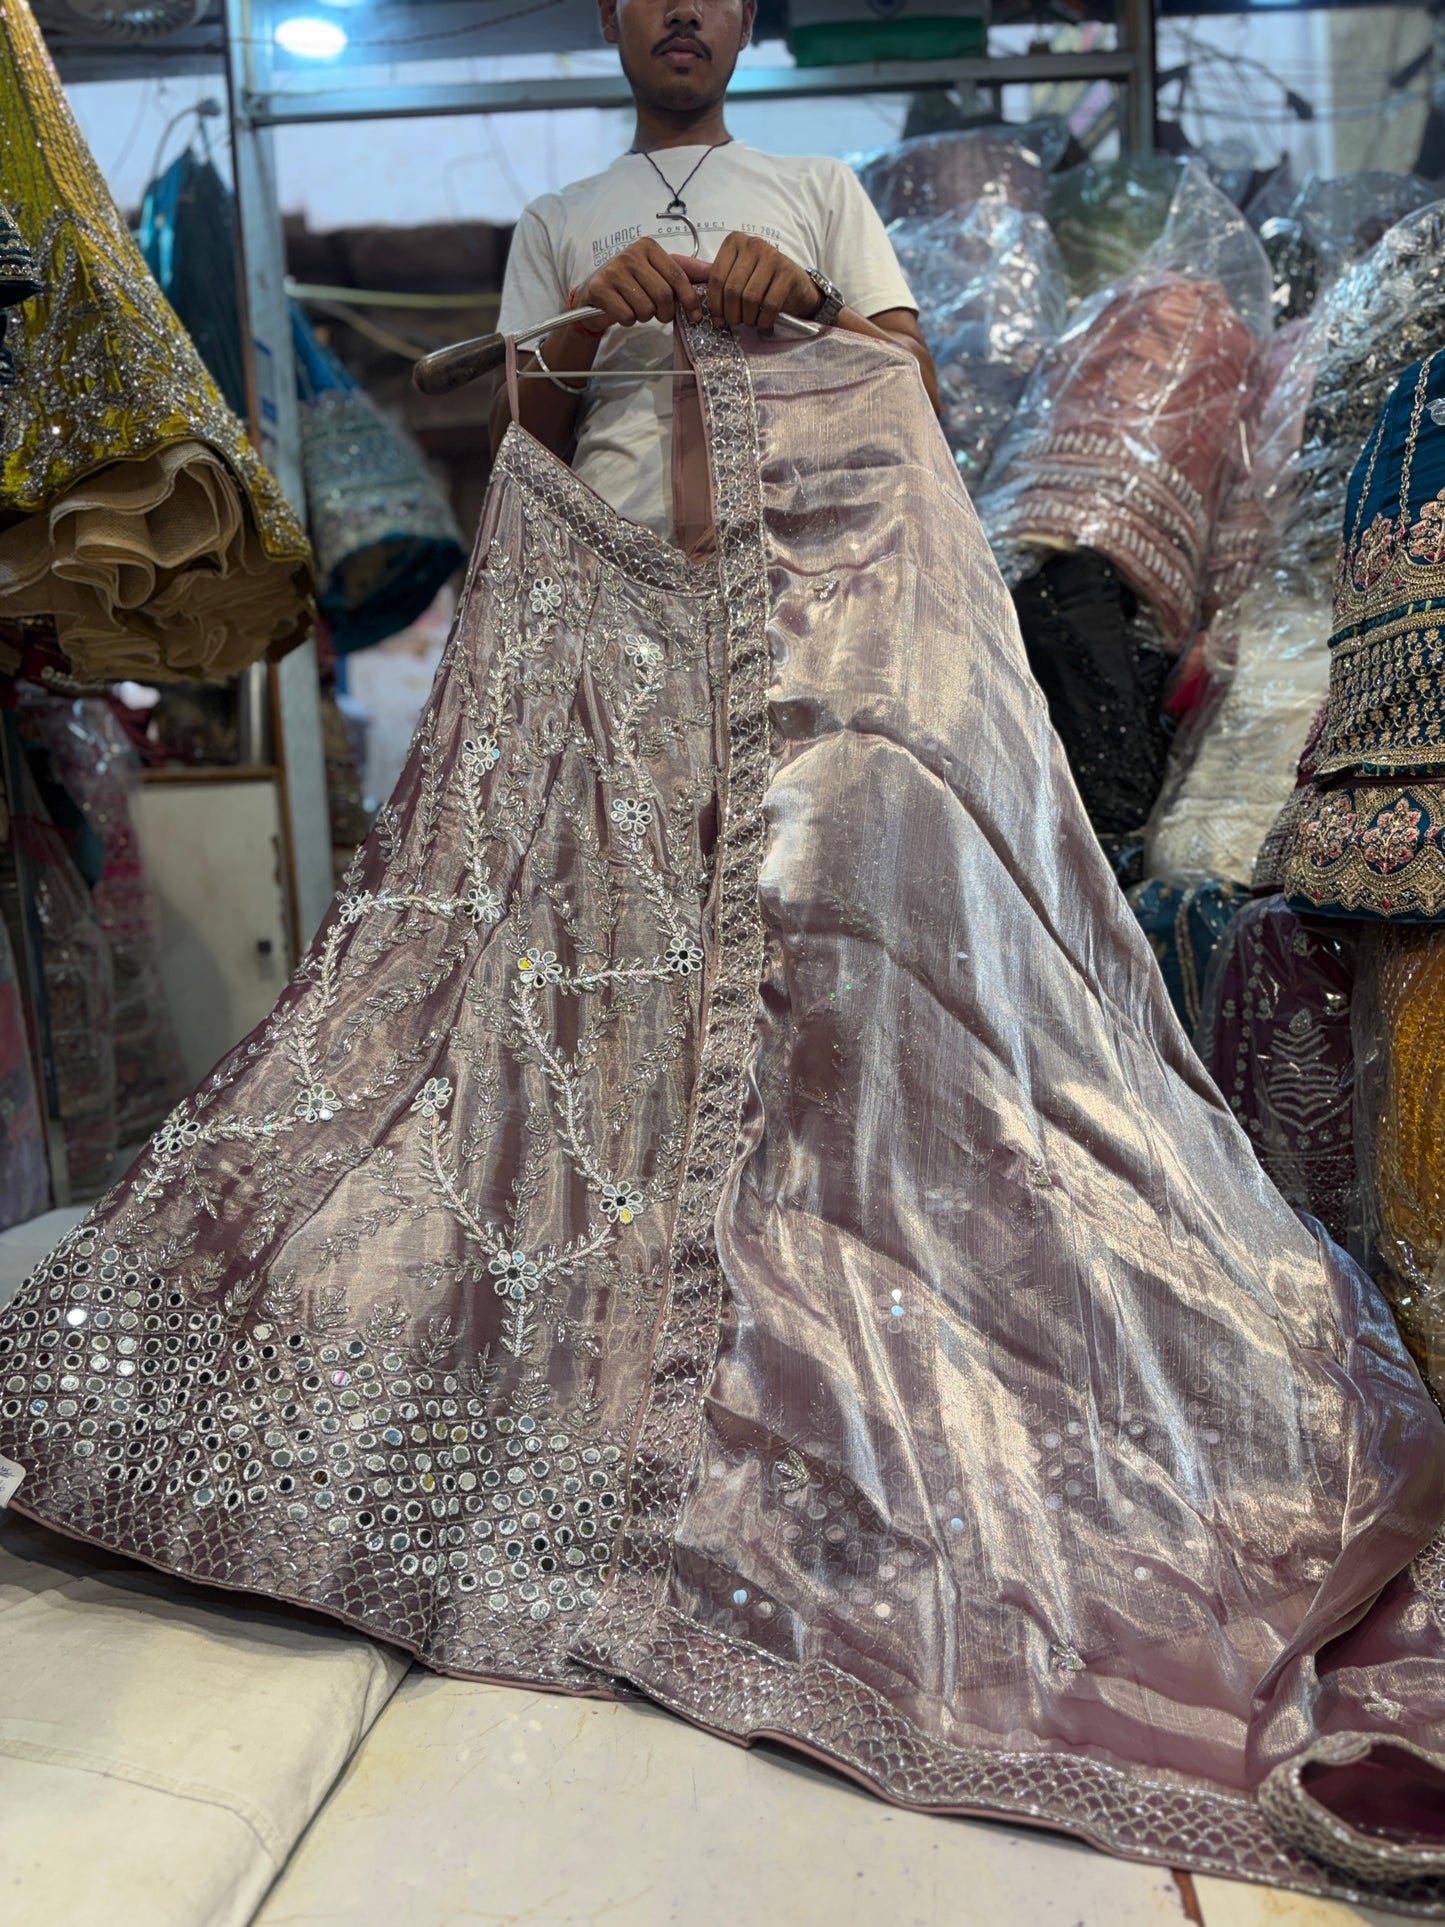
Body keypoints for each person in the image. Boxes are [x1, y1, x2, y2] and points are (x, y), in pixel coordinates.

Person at [491, 0, 939, 535]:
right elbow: (508, 451)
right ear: (610, 17)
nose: (685, 11)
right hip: (611, 576)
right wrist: (584, 324)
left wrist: (815, 302)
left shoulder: (823, 187)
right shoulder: (554, 218)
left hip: (804, 570)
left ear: (747, 22)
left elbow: (923, 398)